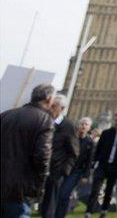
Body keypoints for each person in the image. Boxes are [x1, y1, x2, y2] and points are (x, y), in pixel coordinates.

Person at [0, 84, 55, 218]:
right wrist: (40, 181)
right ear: (48, 98)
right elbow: (42, 155)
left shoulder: (6, 115)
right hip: (20, 188)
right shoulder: (44, 120)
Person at [85, 112, 117, 217]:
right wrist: (94, 161)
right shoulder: (107, 133)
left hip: (116, 166)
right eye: (116, 120)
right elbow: (99, 148)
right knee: (95, 188)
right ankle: (89, 211)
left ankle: (104, 209)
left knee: (109, 189)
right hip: (103, 164)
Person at [40, 94, 79, 218]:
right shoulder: (44, 121)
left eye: (53, 106)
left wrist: (65, 170)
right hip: (40, 167)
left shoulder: (68, 126)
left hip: (56, 170)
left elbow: (74, 151)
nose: (50, 108)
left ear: (61, 108)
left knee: (50, 203)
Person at [55, 117, 94, 218]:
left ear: (89, 127)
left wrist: (86, 175)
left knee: (64, 193)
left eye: (86, 124)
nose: (83, 126)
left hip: (76, 171)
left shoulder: (90, 142)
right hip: (63, 168)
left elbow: (89, 160)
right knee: (58, 193)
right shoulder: (71, 138)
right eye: (82, 124)